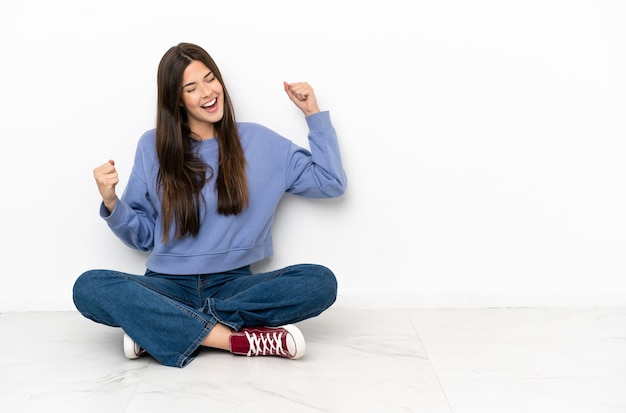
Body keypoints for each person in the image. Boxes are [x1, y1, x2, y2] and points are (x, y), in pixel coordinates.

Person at [72, 42, 347, 368]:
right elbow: (143, 237)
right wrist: (111, 201)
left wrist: (313, 116)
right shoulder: (152, 146)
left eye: (209, 78)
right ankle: (232, 340)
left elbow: (331, 183)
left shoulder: (261, 142)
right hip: (166, 284)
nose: (206, 92)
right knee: (89, 287)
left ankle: (160, 328)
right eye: (191, 87)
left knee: (319, 281)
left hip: (233, 286)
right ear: (177, 99)